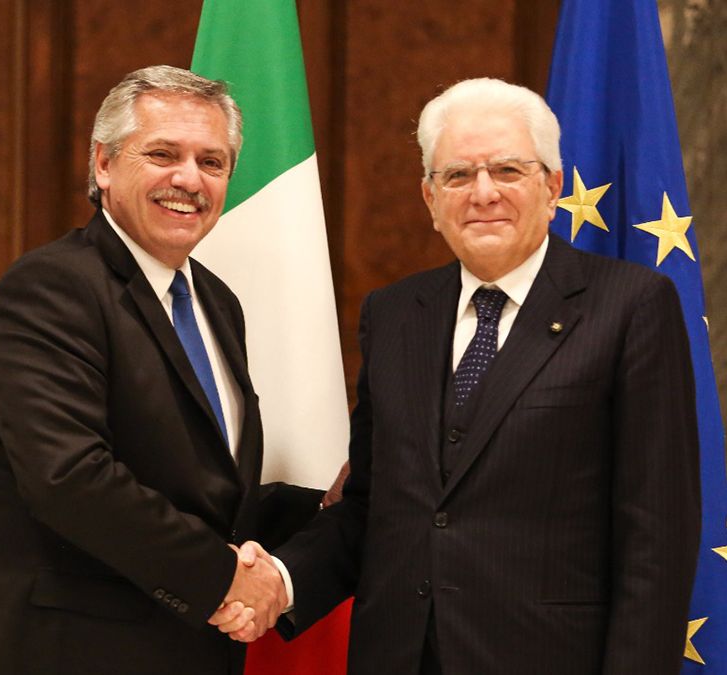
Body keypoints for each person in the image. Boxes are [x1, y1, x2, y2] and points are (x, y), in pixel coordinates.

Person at [218, 77, 702, 674]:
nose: (483, 193)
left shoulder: (629, 307)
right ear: (429, 199)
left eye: (507, 171)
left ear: (552, 187)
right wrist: (280, 580)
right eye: (457, 175)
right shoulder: (394, 315)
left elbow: (657, 534)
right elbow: (373, 503)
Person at [0, 65, 311, 675]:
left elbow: (201, 489)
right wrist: (223, 580)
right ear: (103, 164)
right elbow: (70, 477)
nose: (188, 179)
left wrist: (321, 512)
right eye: (163, 153)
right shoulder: (52, 287)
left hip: (178, 649)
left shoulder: (216, 303)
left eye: (212, 163)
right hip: (54, 652)